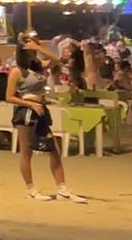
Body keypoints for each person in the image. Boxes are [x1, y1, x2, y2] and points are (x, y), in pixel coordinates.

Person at [6, 42, 84, 203]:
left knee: (53, 148)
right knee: (26, 152)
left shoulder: (39, 66)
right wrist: (31, 104)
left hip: (41, 109)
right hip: (26, 110)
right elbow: (9, 96)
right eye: (30, 51)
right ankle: (31, 189)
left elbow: (60, 60)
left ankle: (62, 188)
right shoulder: (16, 71)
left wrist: (39, 48)